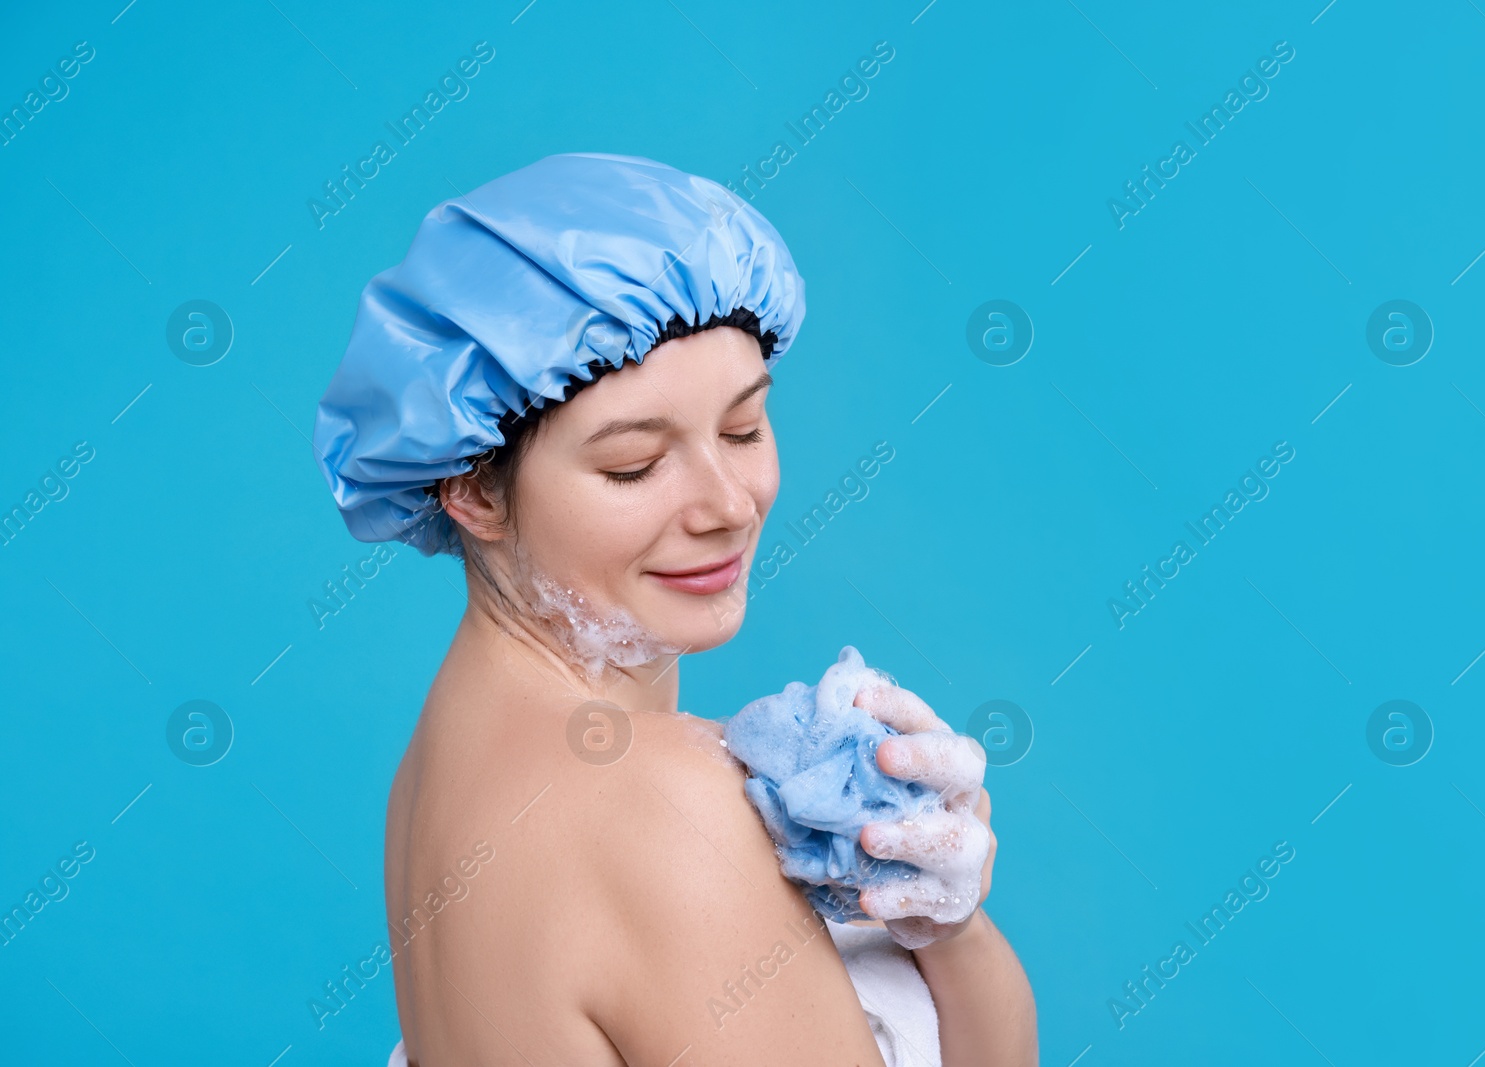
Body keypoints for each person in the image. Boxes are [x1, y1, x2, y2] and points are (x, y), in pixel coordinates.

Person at [313, 153, 1038, 1066]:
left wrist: (947, 927)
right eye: (635, 464)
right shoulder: (655, 803)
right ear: (474, 492)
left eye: (743, 430)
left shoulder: (445, 760)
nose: (728, 503)